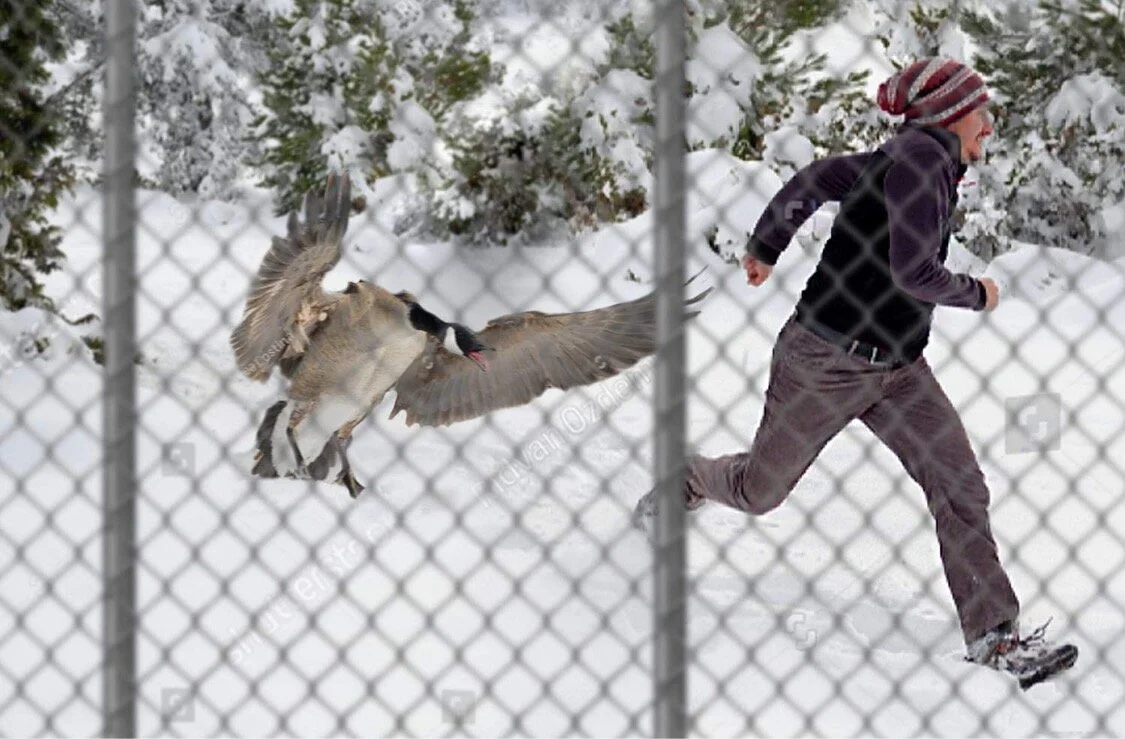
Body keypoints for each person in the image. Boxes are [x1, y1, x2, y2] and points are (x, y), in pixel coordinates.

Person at [633, 57, 1078, 688]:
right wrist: (977, 293)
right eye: (983, 112)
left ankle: (993, 635)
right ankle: (689, 480)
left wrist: (767, 244)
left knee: (959, 484)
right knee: (761, 490)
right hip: (825, 360)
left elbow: (815, 178)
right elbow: (913, 273)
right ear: (951, 114)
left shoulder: (906, 159)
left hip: (898, 367)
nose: (990, 126)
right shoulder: (920, 164)